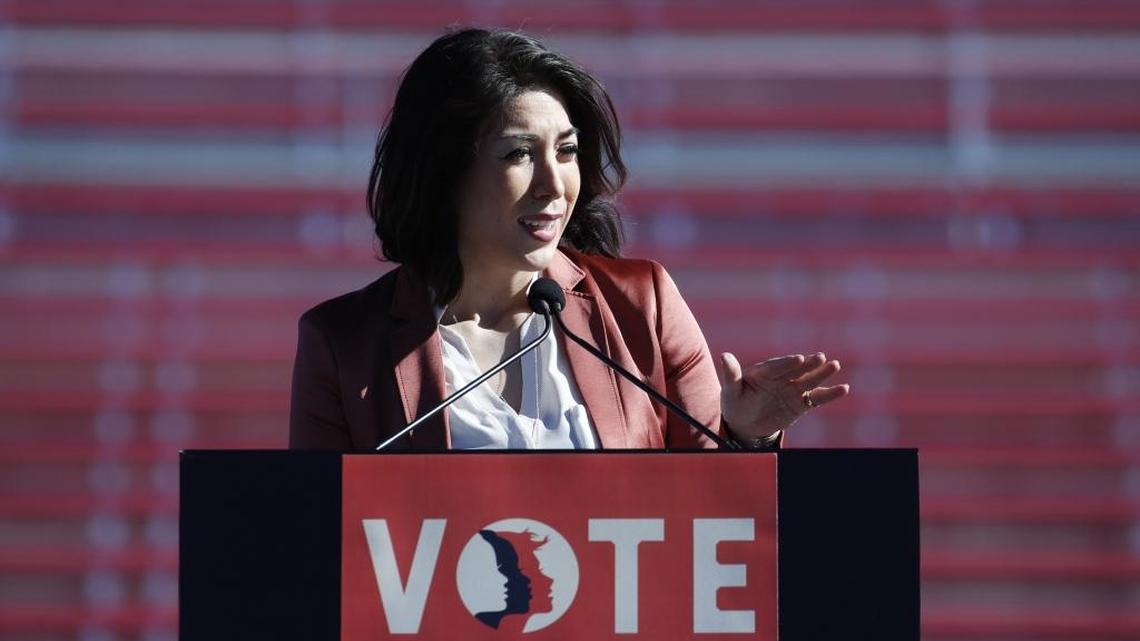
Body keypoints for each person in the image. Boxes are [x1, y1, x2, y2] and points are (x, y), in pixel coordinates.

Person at [288, 27, 848, 451]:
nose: (554, 185)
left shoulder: (642, 304)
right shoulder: (343, 344)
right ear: (443, 171)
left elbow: (708, 520)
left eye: (567, 151)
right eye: (518, 155)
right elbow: (316, 538)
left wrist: (745, 435)